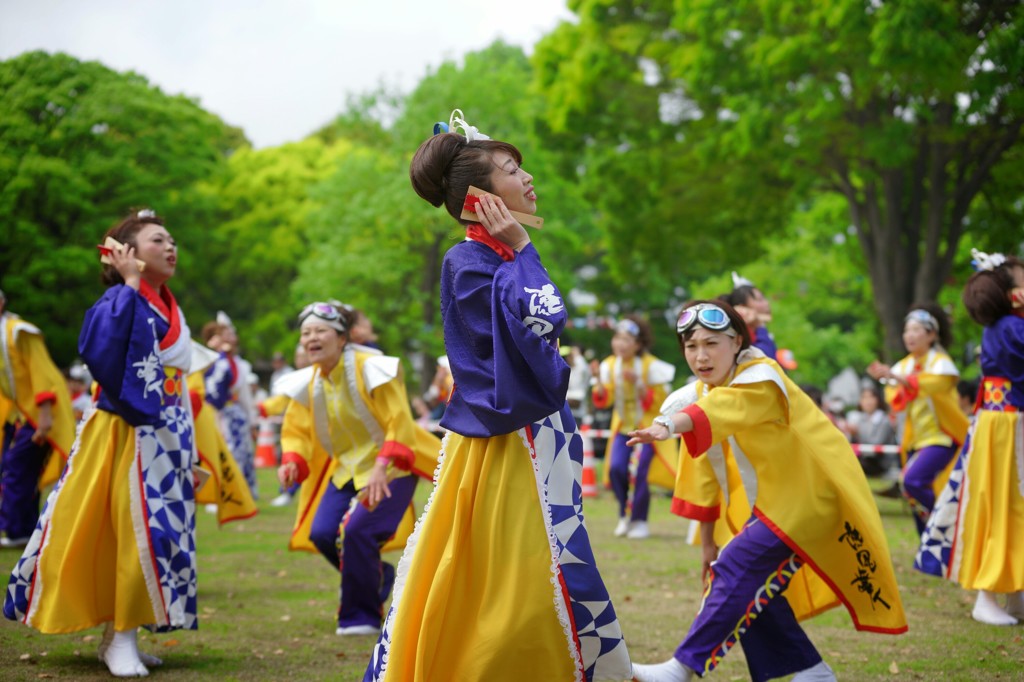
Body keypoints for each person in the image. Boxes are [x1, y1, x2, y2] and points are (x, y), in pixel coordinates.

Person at [365, 111, 631, 681]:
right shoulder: (470, 262)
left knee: (548, 558)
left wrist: (519, 250)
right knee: (524, 569)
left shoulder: (500, 258)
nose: (528, 177)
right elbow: (543, 320)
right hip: (508, 445)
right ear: (482, 197)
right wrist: (524, 247)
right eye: (513, 169)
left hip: (533, 436)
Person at [628, 300, 906, 682]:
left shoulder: (760, 377)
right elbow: (693, 397)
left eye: (712, 344)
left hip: (809, 497)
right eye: (691, 347)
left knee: (734, 567)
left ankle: (681, 668)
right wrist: (666, 418)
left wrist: (667, 427)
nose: (701, 356)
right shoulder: (717, 384)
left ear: (737, 340)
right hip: (781, 501)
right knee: (751, 587)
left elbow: (725, 407)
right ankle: (812, 671)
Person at [5, 208, 197, 677]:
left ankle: (121, 632)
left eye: (171, 239)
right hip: (124, 431)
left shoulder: (165, 304)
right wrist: (129, 283)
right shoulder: (119, 300)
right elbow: (102, 350)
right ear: (124, 253)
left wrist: (190, 452)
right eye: (157, 240)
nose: (170, 247)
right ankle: (121, 637)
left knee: (157, 535)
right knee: (133, 533)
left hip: (165, 432)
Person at [276, 301, 440, 636]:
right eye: (306, 333)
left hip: (392, 466)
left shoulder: (373, 367)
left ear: (342, 338)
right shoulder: (310, 381)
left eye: (321, 331)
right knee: (322, 533)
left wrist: (383, 464)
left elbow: (400, 421)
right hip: (348, 469)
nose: (311, 338)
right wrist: (292, 458)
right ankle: (375, 575)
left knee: (358, 532)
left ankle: (360, 617)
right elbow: (295, 429)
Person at [915, 250, 1024, 625]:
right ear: (1008, 291)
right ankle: (988, 593)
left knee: (1005, 504)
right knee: (1004, 505)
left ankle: (1009, 594)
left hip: (1002, 423)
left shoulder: (1006, 326)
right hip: (1007, 425)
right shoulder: (1010, 328)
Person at [868, 303, 969, 536]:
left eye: (916, 330)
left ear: (932, 335)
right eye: (907, 330)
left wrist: (899, 379)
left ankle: (943, 526)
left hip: (942, 437)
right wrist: (895, 380)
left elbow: (933, 384)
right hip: (914, 441)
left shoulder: (941, 364)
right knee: (912, 491)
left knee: (912, 481)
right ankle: (928, 542)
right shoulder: (903, 365)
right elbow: (894, 399)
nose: (909, 335)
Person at [0, 289, 75, 547]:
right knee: (22, 471)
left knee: (17, 468)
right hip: (21, 414)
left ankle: (19, 529)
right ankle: (26, 529)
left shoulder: (20, 332)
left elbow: (42, 373)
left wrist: (44, 418)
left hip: (41, 414)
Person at [592, 316, 676, 539]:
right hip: (622, 429)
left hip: (646, 430)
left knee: (638, 472)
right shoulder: (609, 365)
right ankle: (623, 515)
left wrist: (639, 383)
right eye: (618, 338)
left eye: (627, 339)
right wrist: (598, 384)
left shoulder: (651, 366)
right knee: (616, 469)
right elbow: (606, 399)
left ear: (638, 344)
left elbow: (661, 402)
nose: (620, 344)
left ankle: (639, 520)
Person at [202, 315, 258, 499]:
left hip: (232, 413)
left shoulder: (236, 363)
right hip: (215, 412)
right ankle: (218, 493)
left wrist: (252, 421)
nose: (230, 337)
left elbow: (244, 396)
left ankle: (240, 493)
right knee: (220, 453)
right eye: (225, 334)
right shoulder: (213, 360)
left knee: (240, 454)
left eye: (231, 333)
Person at [845, 383, 897, 477]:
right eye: (864, 398)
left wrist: (857, 433)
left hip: (880, 462)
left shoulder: (884, 420)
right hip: (866, 458)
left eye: (871, 397)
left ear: (878, 400)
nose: (868, 401)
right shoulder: (860, 419)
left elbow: (876, 444)